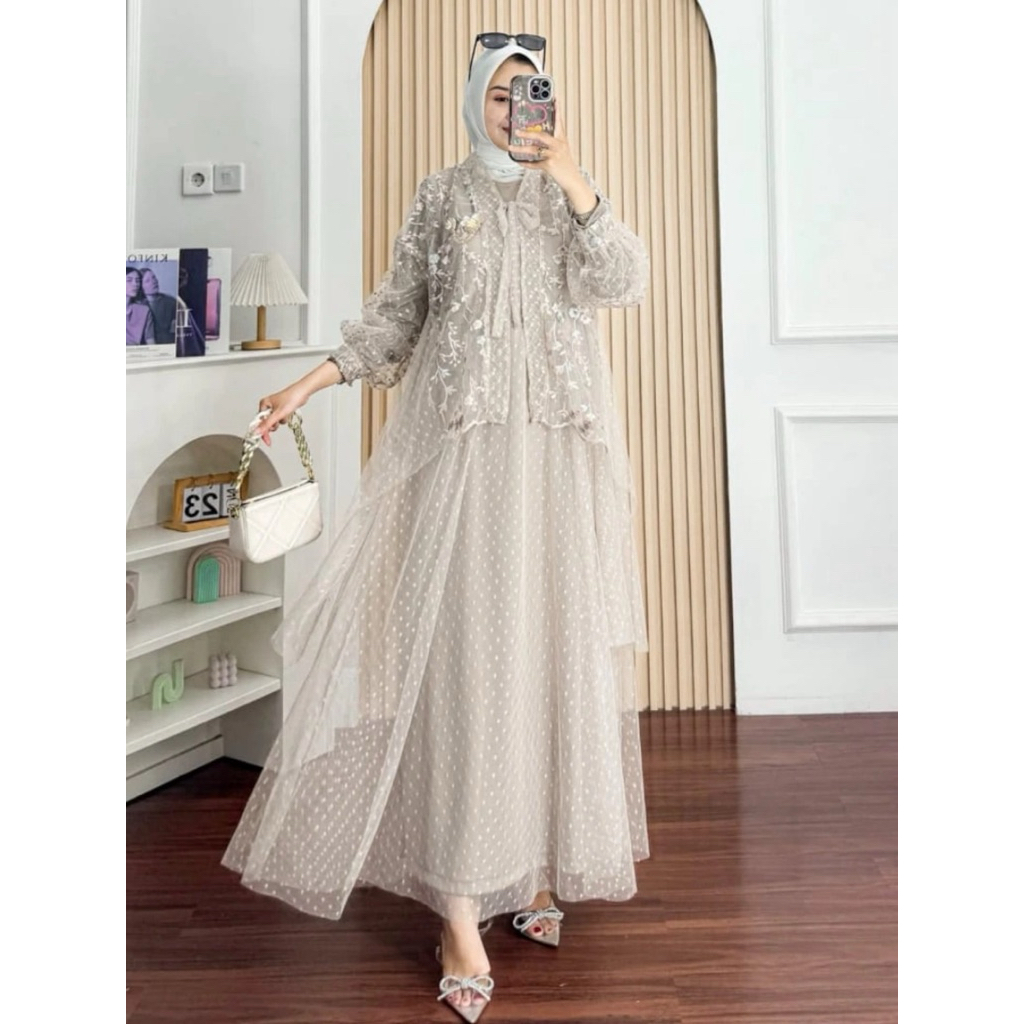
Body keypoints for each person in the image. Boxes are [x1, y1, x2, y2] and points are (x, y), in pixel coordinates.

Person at [221, 34, 650, 1022]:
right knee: (467, 669)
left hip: (556, 466)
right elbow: (394, 321)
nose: (515, 111)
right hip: (464, 469)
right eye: (500, 95)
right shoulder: (438, 196)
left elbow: (621, 279)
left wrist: (575, 177)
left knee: (548, 661)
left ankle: (530, 865)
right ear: (472, 101)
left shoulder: (569, 194)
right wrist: (307, 383)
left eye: (531, 95)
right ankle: (460, 904)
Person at [140, 267, 177, 343]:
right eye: (147, 281)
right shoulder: (137, 306)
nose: (154, 282)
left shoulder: (171, 302)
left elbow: (174, 331)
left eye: (154, 277)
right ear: (141, 287)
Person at [126, 267, 155, 344]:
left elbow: (150, 340)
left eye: (137, 281)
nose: (135, 284)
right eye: (129, 280)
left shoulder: (144, 311)